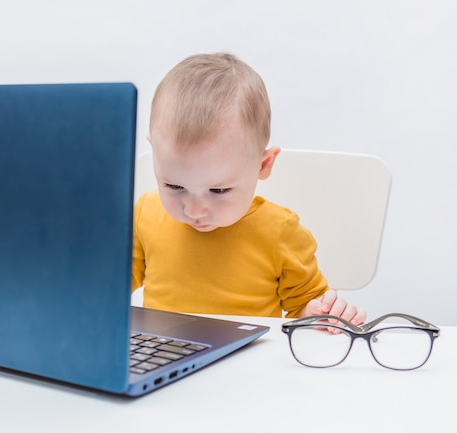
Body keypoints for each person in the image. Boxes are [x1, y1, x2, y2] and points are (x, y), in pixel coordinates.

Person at [132, 52, 365, 326]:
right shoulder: (145, 214)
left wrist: (322, 314)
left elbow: (304, 304)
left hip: (246, 363)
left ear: (263, 165)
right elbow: (108, 284)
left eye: (218, 191)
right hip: (165, 358)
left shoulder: (280, 231)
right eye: (173, 185)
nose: (194, 210)